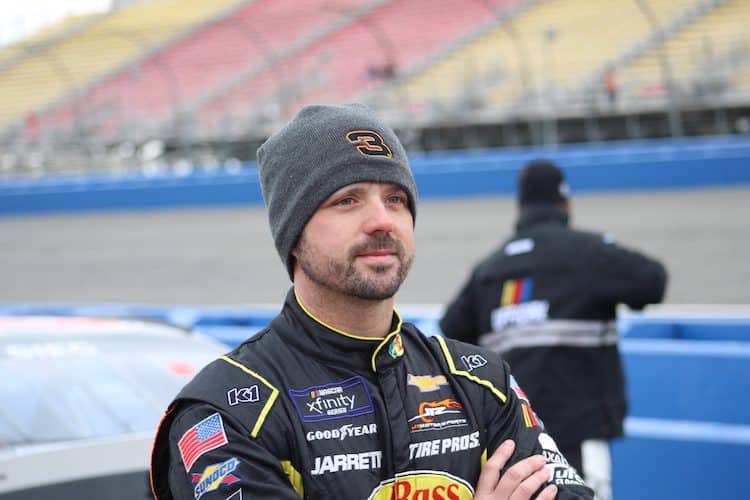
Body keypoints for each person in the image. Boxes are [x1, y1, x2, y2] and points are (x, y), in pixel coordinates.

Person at [150, 104, 594, 500]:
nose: (382, 221)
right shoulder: (229, 412)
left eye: (396, 199)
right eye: (348, 200)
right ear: (294, 236)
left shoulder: (480, 380)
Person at [439, 160, 668, 500]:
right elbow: (653, 282)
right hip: (578, 431)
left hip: (513, 439)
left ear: (521, 206)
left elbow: (451, 334)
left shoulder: (490, 268)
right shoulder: (589, 253)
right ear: (565, 202)